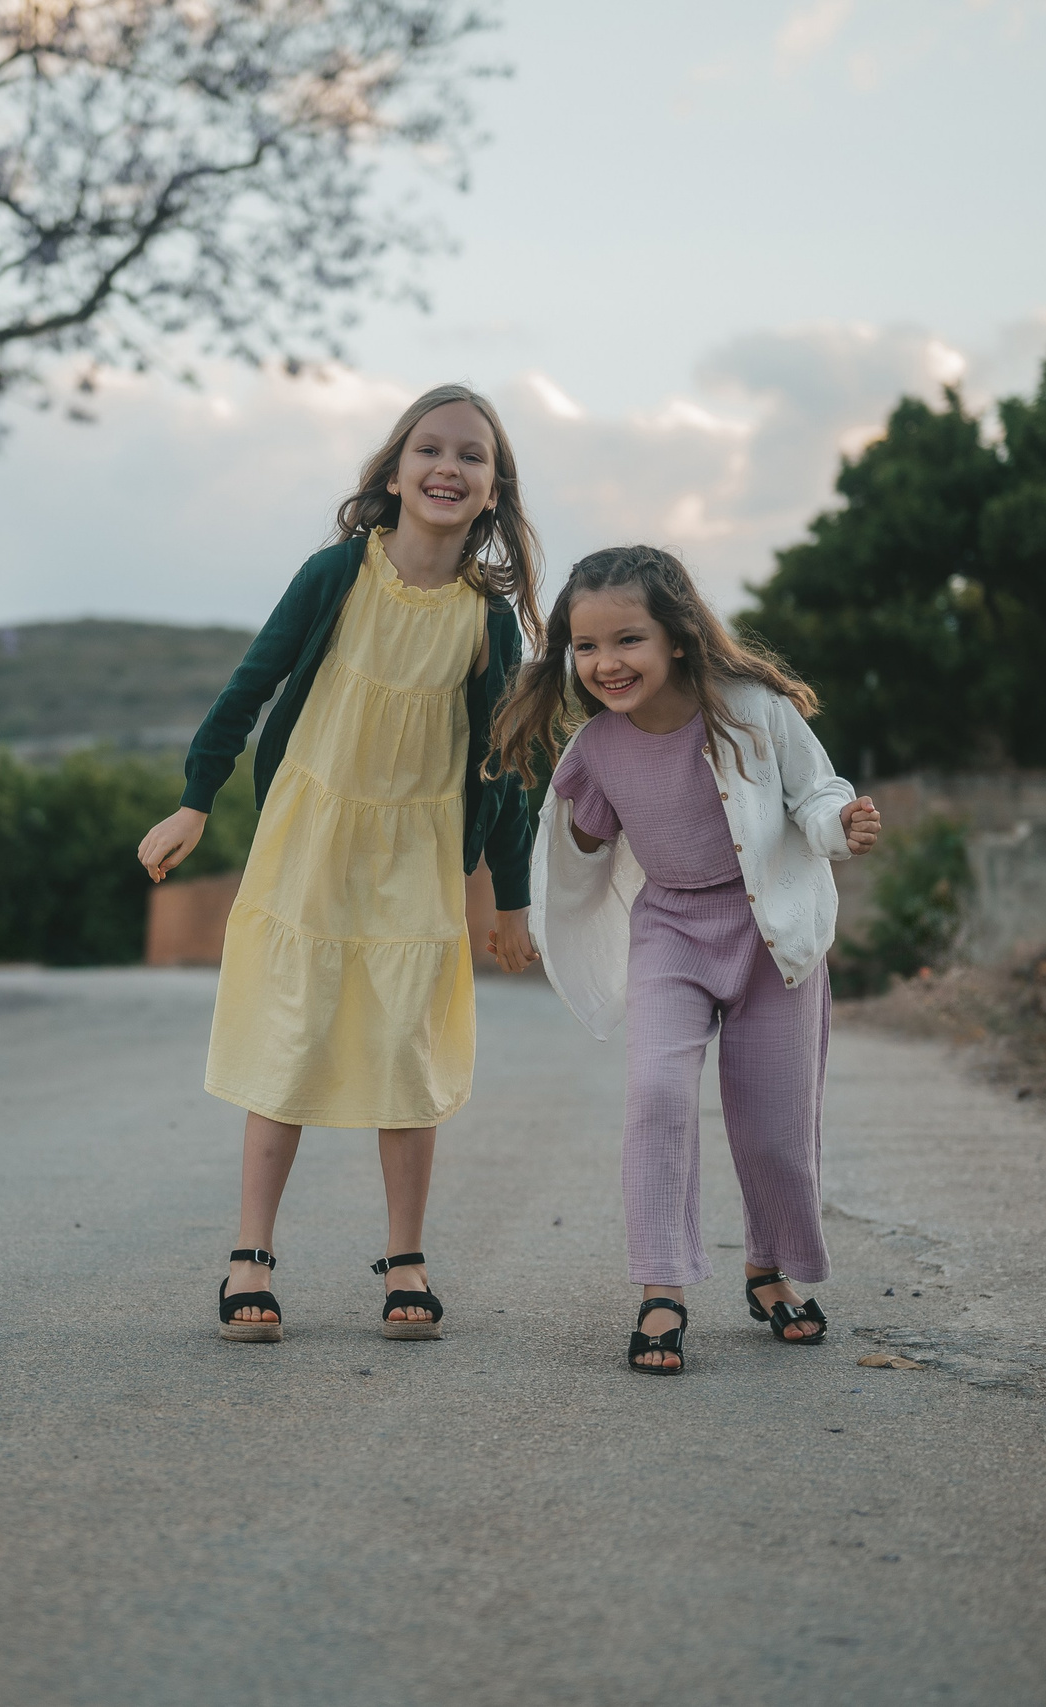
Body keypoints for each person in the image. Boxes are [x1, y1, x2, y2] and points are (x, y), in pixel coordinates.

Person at [136, 384, 543, 1343]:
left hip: (416, 851)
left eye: (472, 456)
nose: (449, 466)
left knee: (404, 1045)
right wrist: (196, 798)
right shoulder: (336, 573)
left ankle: (407, 1259)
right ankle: (251, 1255)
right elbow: (250, 685)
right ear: (395, 471)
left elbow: (506, 763)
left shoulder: (489, 619)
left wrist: (512, 901)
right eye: (430, 449)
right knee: (292, 1031)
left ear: (493, 491)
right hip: (311, 838)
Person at [491, 544, 881, 1375]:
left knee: (775, 1126)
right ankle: (660, 1286)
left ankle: (766, 1267)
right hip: (669, 930)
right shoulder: (597, 746)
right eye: (586, 647)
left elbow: (815, 790)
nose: (606, 663)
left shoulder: (752, 708)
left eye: (627, 639)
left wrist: (836, 827)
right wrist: (538, 899)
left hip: (769, 929)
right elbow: (580, 852)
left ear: (675, 634)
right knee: (658, 1094)